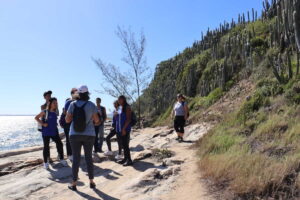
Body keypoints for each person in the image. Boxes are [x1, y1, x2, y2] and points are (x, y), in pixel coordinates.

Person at [66, 85, 100, 191]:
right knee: (88, 158)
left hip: (74, 134)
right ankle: (91, 182)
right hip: (89, 135)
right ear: (87, 93)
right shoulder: (91, 105)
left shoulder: (72, 104)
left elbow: (67, 120)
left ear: (79, 94)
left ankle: (74, 183)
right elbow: (97, 120)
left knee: (76, 159)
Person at [35, 97, 66, 169]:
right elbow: (36, 117)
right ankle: (45, 162)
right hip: (46, 132)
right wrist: (43, 124)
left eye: (56, 103)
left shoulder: (55, 112)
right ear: (50, 104)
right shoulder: (44, 111)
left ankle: (61, 159)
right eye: (54, 103)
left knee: (60, 144)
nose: (56, 104)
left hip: (54, 132)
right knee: (46, 147)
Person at [116, 95, 133, 166]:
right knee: (123, 144)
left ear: (123, 100)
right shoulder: (120, 107)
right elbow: (118, 116)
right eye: (118, 100)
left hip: (125, 129)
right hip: (119, 129)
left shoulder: (127, 107)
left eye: (120, 99)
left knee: (126, 145)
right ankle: (125, 158)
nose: (118, 101)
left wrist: (123, 129)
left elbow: (128, 119)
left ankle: (129, 160)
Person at [63, 88, 78, 160]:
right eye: (76, 92)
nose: (78, 93)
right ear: (72, 94)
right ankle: (69, 154)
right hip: (68, 124)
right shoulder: (68, 102)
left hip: (76, 124)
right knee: (68, 139)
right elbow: (65, 112)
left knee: (76, 139)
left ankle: (75, 153)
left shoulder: (78, 101)